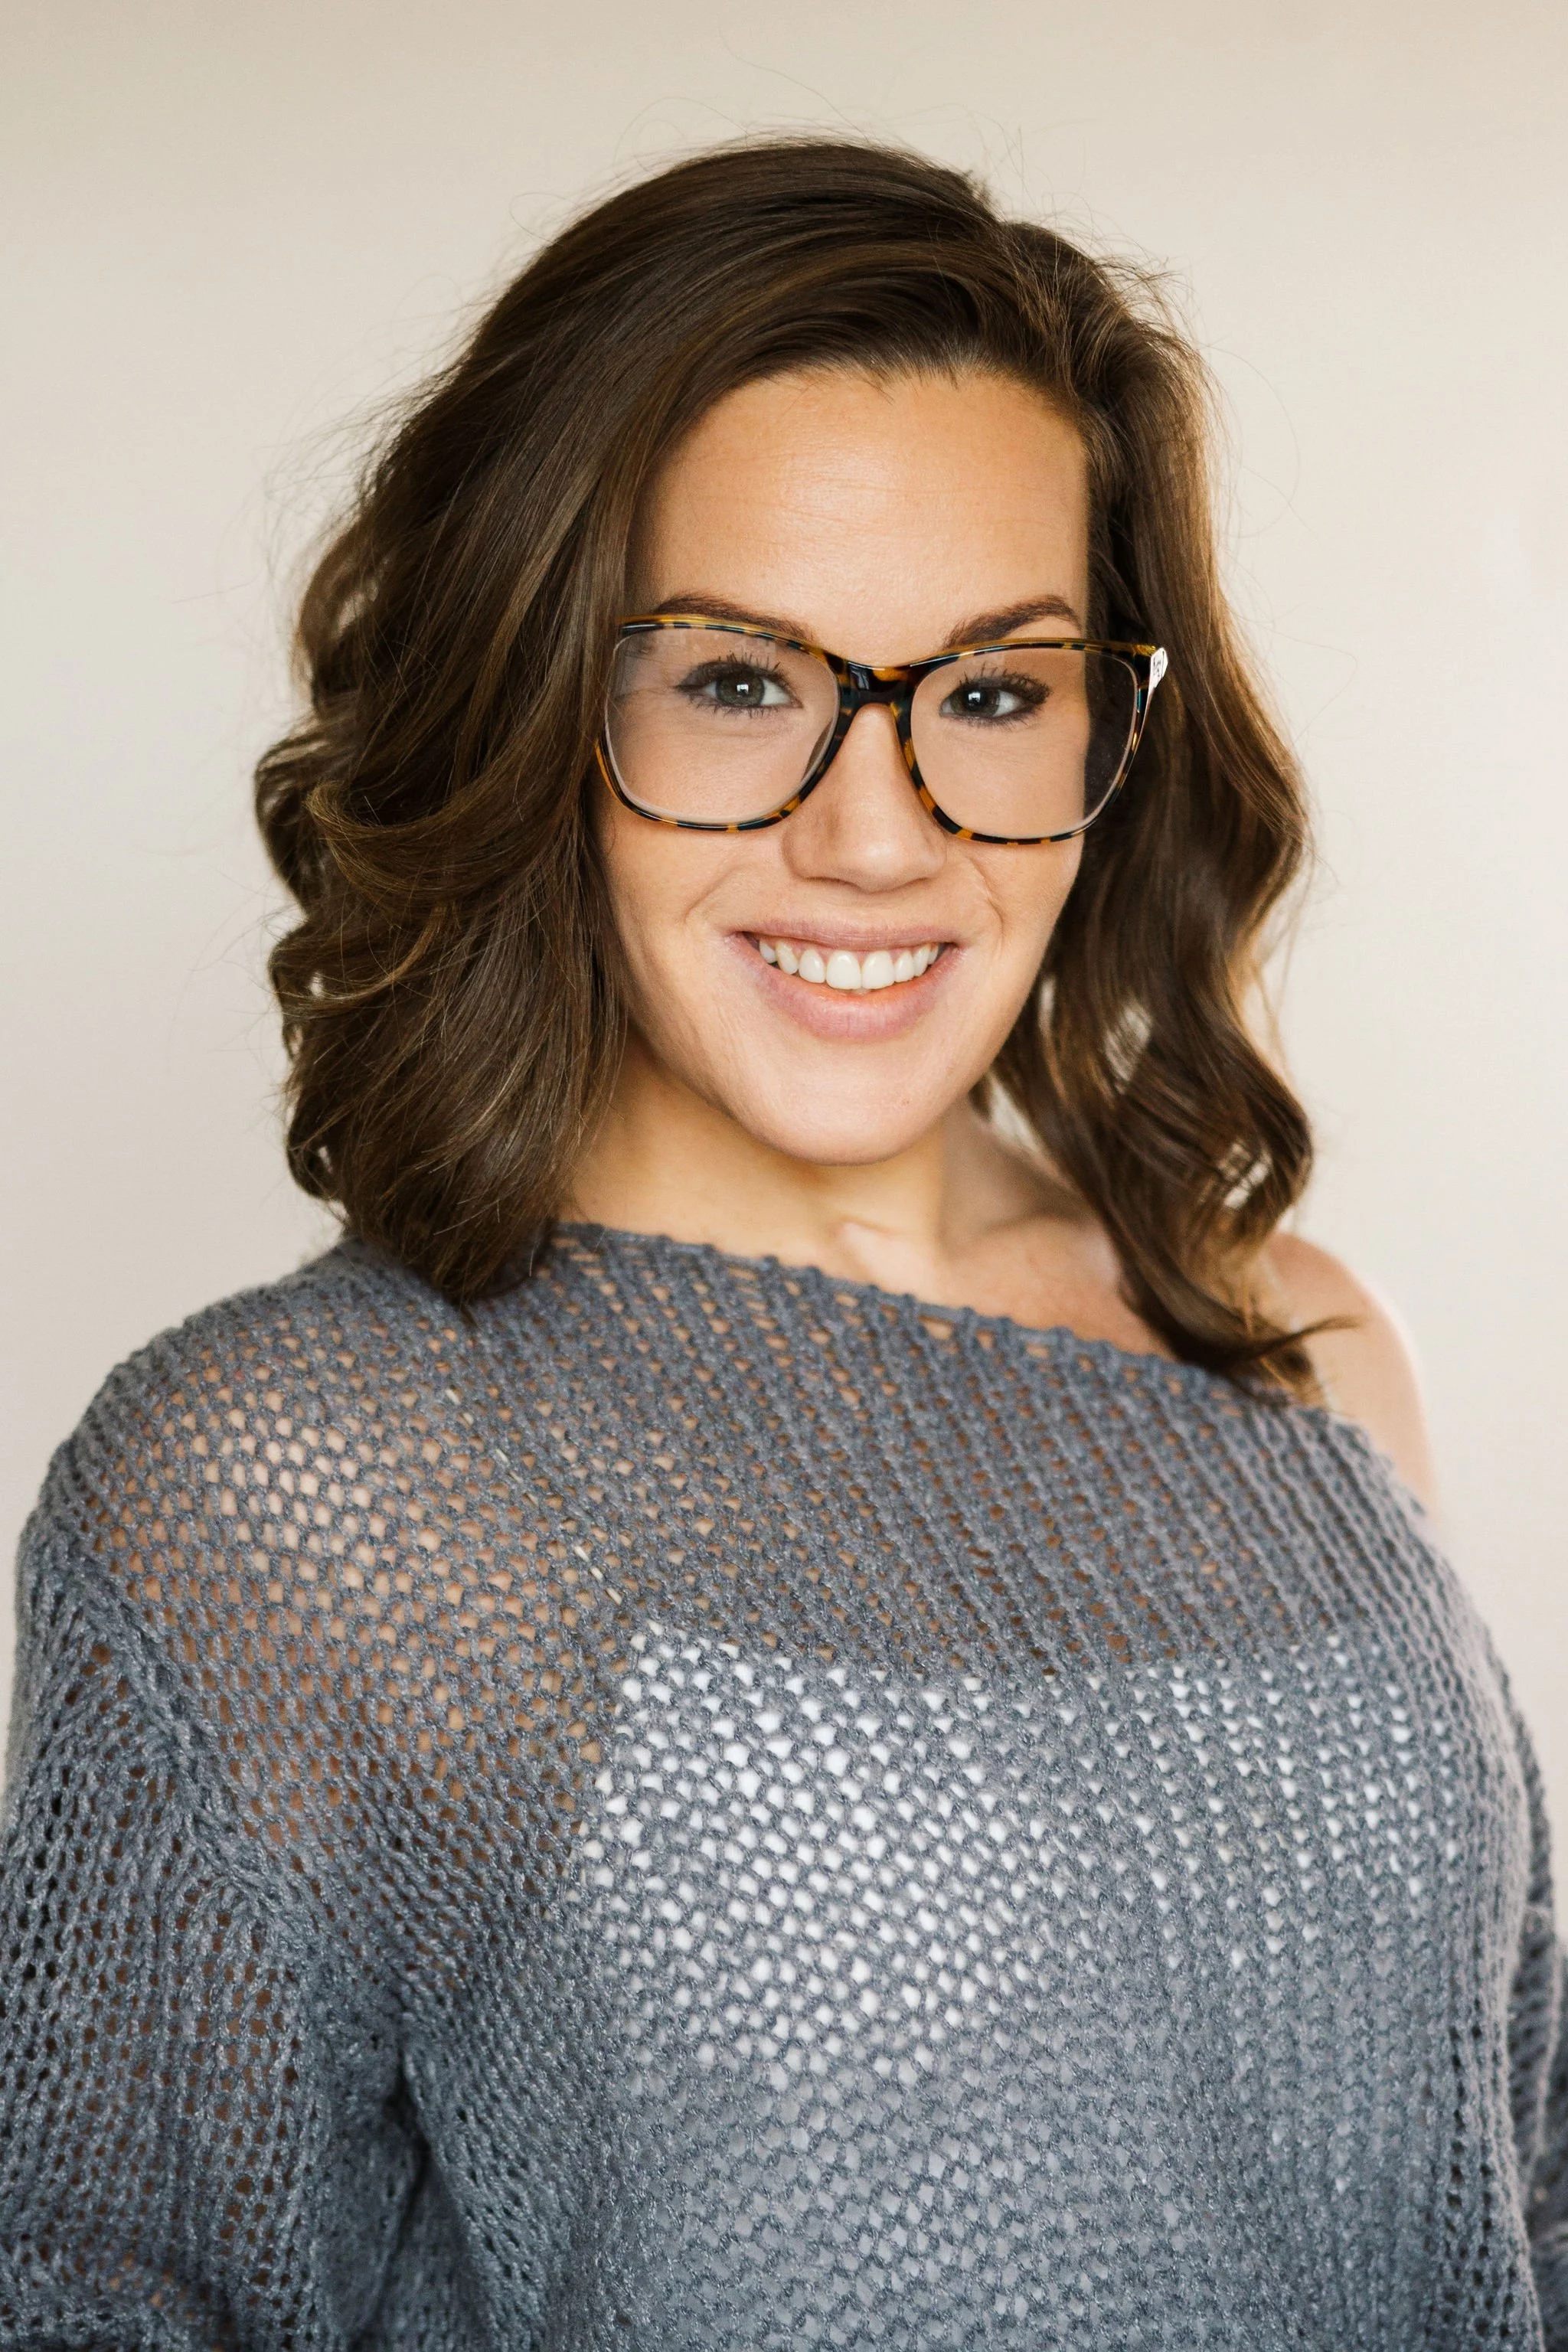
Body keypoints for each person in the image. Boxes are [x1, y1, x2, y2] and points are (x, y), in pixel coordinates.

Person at [1, 137, 1562, 2350]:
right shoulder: (298, 1483)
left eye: (993, 691)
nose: (874, 832)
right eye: (737, 682)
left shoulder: (1290, 1348)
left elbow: (1517, 2179)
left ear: (1111, 734)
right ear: (545, 707)